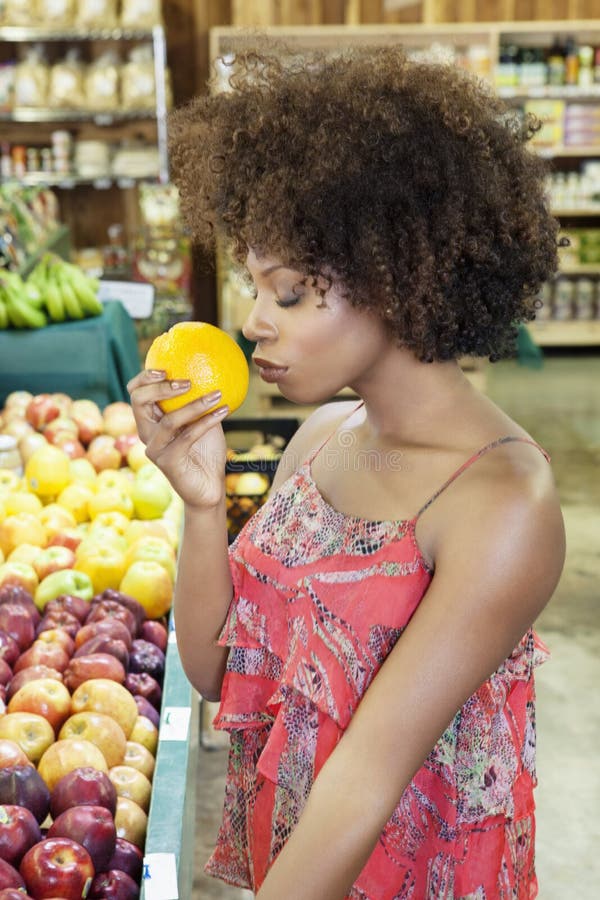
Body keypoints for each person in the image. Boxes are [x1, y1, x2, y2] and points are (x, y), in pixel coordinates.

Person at [128, 43, 565, 900]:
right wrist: (204, 506)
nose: (254, 322)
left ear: (396, 277)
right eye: (255, 286)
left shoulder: (501, 503)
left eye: (288, 292)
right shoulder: (322, 439)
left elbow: (366, 780)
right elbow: (224, 677)